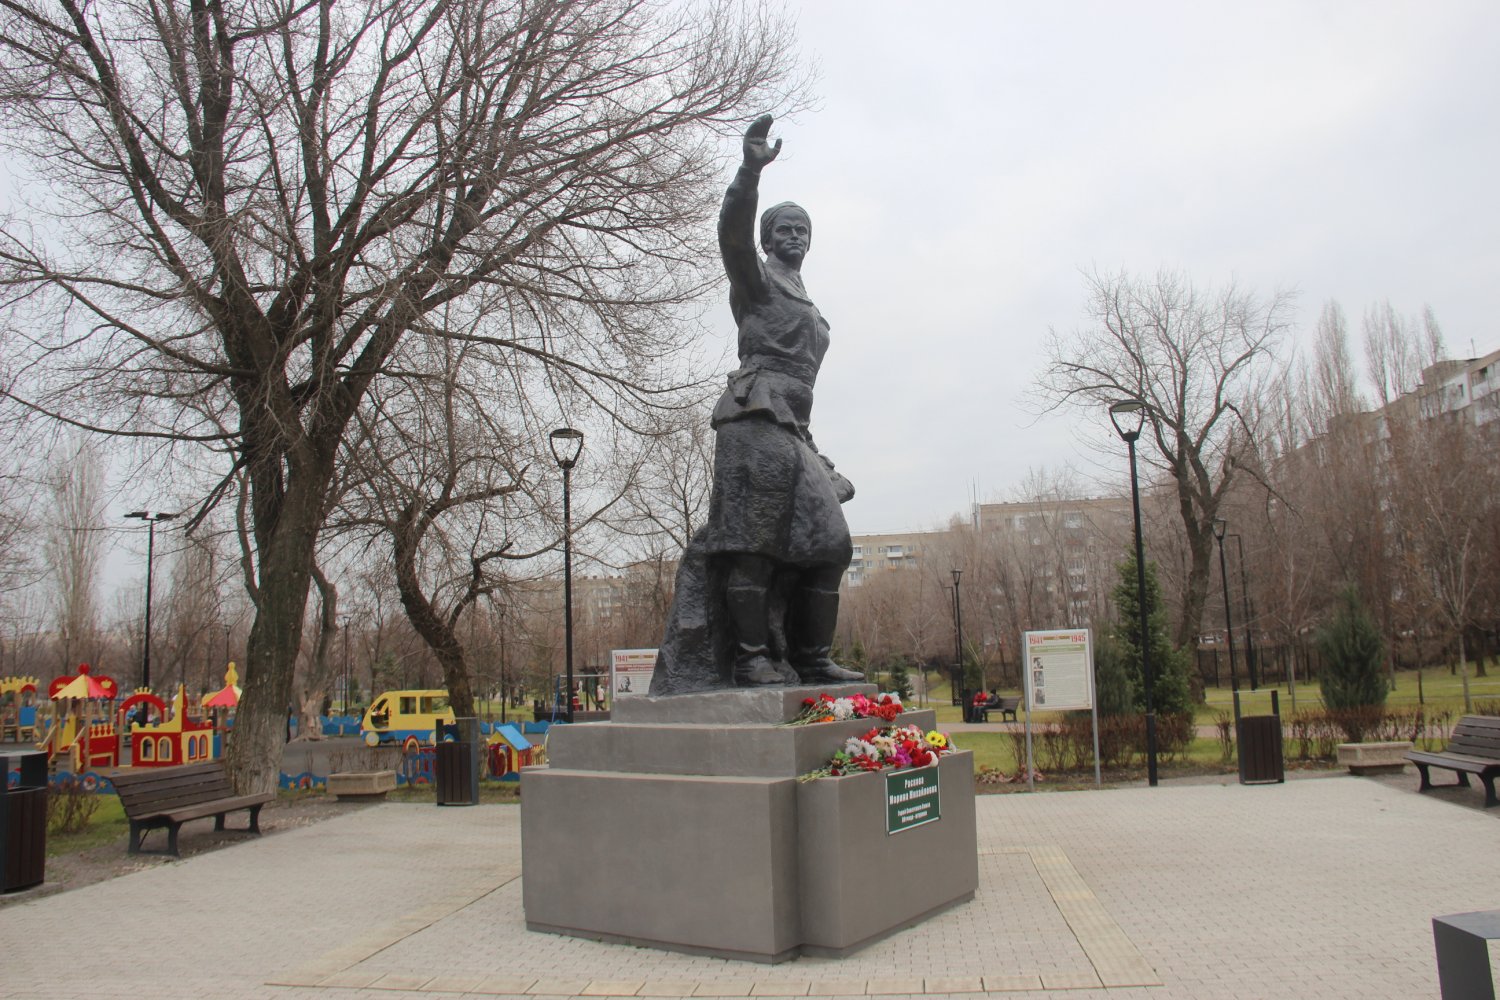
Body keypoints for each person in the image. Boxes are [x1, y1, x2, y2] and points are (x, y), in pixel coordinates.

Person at [651, 115, 863, 693]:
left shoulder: (803, 295)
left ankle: (812, 658)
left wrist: (815, 451)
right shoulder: (756, 282)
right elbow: (732, 237)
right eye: (784, 230)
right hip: (753, 415)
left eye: (803, 230)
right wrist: (749, 172)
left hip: (793, 427)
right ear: (768, 240)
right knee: (754, 545)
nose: (795, 237)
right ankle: (750, 659)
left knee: (831, 544)